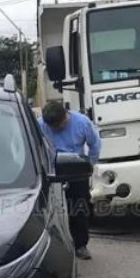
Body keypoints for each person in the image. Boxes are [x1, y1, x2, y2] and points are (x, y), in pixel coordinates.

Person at [38, 101, 101, 260]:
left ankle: (80, 245)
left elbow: (95, 144)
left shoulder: (82, 123)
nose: (56, 129)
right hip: (51, 168)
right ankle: (48, 245)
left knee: (78, 207)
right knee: (46, 207)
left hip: (75, 168)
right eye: (52, 127)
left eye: (59, 125)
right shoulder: (40, 125)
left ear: (65, 116)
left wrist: (89, 165)